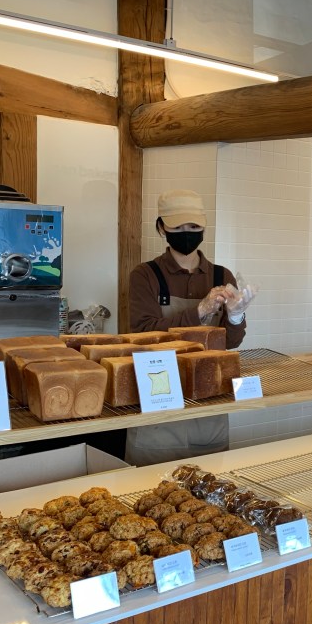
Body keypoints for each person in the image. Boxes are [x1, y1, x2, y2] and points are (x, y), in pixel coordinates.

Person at [125, 189, 257, 466]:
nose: (187, 233)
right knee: (148, 486)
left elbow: (230, 344)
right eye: (178, 227)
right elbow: (143, 334)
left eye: (194, 227)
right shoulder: (145, 275)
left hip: (209, 402)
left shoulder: (222, 275)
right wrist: (200, 311)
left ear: (204, 228)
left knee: (210, 483)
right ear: (161, 228)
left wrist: (235, 316)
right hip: (158, 399)